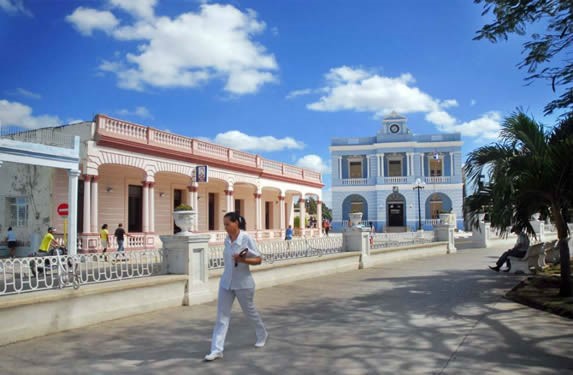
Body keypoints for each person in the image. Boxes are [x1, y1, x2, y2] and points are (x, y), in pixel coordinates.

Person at [204, 212, 268, 362]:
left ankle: (262, 334)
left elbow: (258, 260)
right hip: (226, 283)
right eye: (224, 224)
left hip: (243, 284)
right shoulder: (227, 240)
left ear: (236, 223)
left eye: (227, 224)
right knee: (222, 317)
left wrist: (243, 260)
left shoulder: (246, 238)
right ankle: (216, 350)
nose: (225, 227)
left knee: (250, 312)